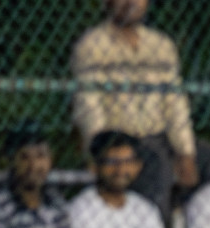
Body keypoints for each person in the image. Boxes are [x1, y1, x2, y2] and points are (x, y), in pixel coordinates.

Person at [71, 0, 199, 215]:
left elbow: (175, 103)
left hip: (157, 138)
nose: (131, 2)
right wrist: (97, 150)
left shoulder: (161, 45)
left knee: (208, 160)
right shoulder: (92, 44)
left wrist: (185, 151)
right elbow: (88, 105)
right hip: (116, 141)